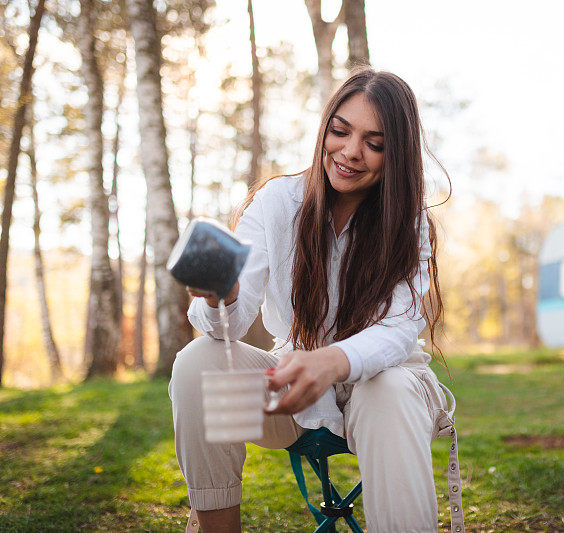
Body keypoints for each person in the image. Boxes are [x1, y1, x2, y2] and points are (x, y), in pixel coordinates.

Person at [169, 69, 464, 533]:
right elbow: (224, 324)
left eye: (375, 143)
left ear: (396, 156)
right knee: (197, 363)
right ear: (324, 127)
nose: (350, 152)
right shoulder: (275, 204)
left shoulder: (409, 225)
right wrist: (222, 295)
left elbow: (398, 329)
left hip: (389, 391)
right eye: (340, 131)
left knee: (384, 390)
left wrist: (332, 361)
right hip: (295, 400)